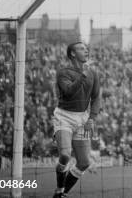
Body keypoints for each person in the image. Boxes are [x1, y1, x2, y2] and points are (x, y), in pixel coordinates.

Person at [51, 42, 100, 198]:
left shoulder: (93, 73)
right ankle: (59, 189)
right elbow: (68, 92)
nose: (86, 50)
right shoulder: (63, 72)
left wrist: (92, 118)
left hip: (82, 119)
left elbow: (96, 97)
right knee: (65, 155)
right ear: (72, 53)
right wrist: (83, 75)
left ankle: (61, 194)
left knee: (84, 163)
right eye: (81, 48)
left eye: (87, 48)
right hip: (64, 116)